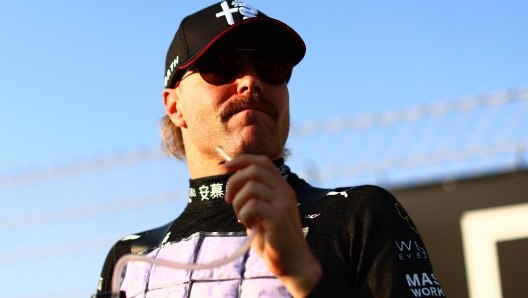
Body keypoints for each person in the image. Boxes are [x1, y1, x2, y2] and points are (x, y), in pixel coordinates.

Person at [95, 1, 445, 297]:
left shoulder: (360, 215)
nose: (251, 81)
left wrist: (309, 280)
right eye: (222, 64)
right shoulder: (129, 258)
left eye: (271, 67)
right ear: (175, 107)